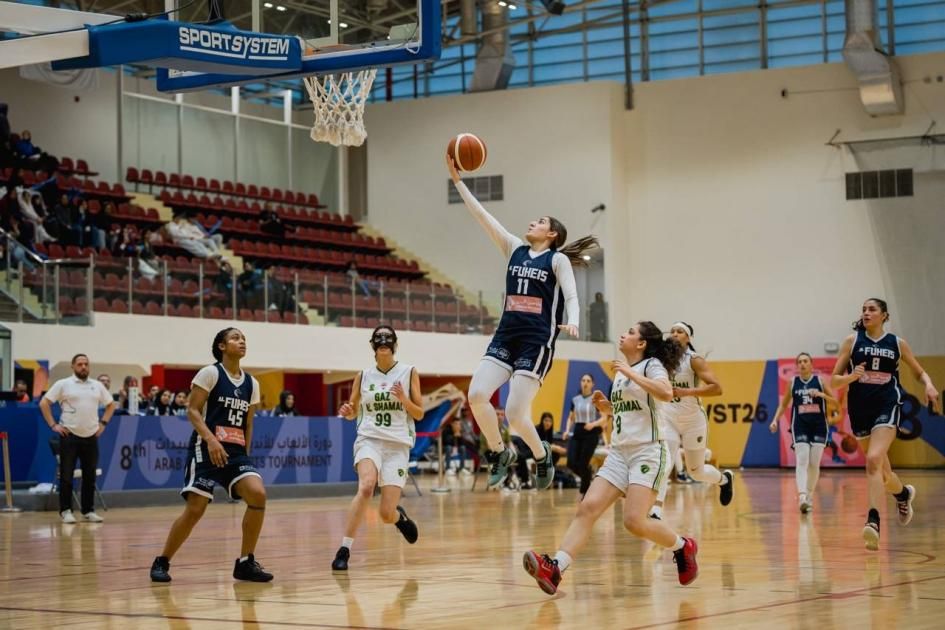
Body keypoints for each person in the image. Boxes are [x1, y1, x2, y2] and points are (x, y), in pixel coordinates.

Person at [447, 154, 598, 492]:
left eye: (540, 221)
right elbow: (483, 216)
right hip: (506, 336)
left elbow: (572, 295)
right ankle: (500, 453)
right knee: (477, 394)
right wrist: (458, 181)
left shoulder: (557, 259)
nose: (532, 222)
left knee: (516, 414)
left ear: (552, 233)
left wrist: (573, 320)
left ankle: (542, 455)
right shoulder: (514, 248)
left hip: (536, 341)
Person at [522, 322, 699, 594]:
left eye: (631, 332)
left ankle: (683, 546)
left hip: (648, 451)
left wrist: (629, 372)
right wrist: (609, 406)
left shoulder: (651, 366)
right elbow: (633, 408)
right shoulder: (621, 374)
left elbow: (665, 393)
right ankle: (555, 568)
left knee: (634, 521)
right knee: (587, 508)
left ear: (641, 343)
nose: (624, 334)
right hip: (619, 453)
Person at [150, 328, 273, 582]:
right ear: (221, 346)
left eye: (244, 339)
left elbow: (249, 423)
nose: (242, 341)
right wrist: (211, 440)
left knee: (258, 494)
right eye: (235, 338)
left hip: (236, 452)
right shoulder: (210, 373)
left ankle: (245, 563)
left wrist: (245, 457)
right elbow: (193, 411)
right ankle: (162, 561)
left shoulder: (252, 383)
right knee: (195, 510)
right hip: (206, 448)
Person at [830, 298, 939, 551]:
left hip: (887, 405)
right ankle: (903, 494)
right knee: (884, 473)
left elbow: (918, 371)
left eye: (872, 309)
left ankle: (873, 520)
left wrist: (929, 384)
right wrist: (851, 377)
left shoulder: (897, 343)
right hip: (860, 410)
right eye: (864, 309)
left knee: (873, 459)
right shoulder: (852, 341)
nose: (866, 313)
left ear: (884, 316)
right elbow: (833, 381)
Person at [331, 325, 422, 571]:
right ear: (373, 344)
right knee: (367, 486)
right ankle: (344, 549)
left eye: (387, 337)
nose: (383, 341)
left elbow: (419, 413)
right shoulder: (362, 376)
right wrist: (348, 411)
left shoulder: (409, 372)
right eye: (379, 337)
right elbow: (353, 411)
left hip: (397, 445)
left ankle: (399, 518)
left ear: (394, 344)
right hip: (369, 439)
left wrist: (404, 399)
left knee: (385, 514)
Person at [649, 322, 731, 520]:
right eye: (673, 331)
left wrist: (687, 392)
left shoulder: (694, 360)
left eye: (680, 331)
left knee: (696, 471)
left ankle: (724, 480)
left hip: (693, 420)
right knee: (665, 463)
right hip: (668, 417)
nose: (675, 334)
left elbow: (717, 388)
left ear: (688, 338)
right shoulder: (660, 359)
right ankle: (656, 510)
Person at [39, 354, 115, 523]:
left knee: (90, 476)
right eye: (80, 364)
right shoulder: (63, 384)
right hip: (69, 436)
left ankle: (88, 511)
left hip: (91, 436)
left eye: (86, 364)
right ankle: (66, 511)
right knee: (66, 476)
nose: (83, 367)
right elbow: (44, 403)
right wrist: (53, 425)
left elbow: (111, 405)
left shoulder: (97, 385)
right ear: (72, 366)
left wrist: (103, 423)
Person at [770, 352, 839, 513]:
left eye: (805, 361)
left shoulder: (820, 381)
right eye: (800, 361)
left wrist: (821, 395)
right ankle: (802, 496)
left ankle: (809, 495)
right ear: (797, 365)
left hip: (819, 425)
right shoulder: (793, 382)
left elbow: (835, 403)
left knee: (814, 463)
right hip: (800, 425)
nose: (802, 364)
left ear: (811, 364)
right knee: (802, 460)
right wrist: (775, 420)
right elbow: (783, 404)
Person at [564, 374, 607, 498]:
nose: (585, 383)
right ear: (580, 382)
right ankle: (588, 476)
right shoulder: (575, 399)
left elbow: (604, 418)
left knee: (583, 463)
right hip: (578, 431)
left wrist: (593, 424)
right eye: (583, 380)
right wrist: (567, 430)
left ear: (592, 384)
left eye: (588, 381)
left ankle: (585, 492)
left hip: (591, 433)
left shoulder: (596, 400)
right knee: (571, 463)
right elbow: (571, 417)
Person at [512, 412, 566, 489]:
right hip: (529, 449)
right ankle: (527, 481)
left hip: (538, 452)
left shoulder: (549, 433)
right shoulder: (536, 430)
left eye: (550, 421)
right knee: (523, 457)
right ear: (542, 421)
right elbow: (538, 445)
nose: (548, 423)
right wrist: (554, 447)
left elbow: (548, 446)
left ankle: (547, 473)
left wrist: (556, 448)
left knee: (556, 455)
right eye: (546, 420)